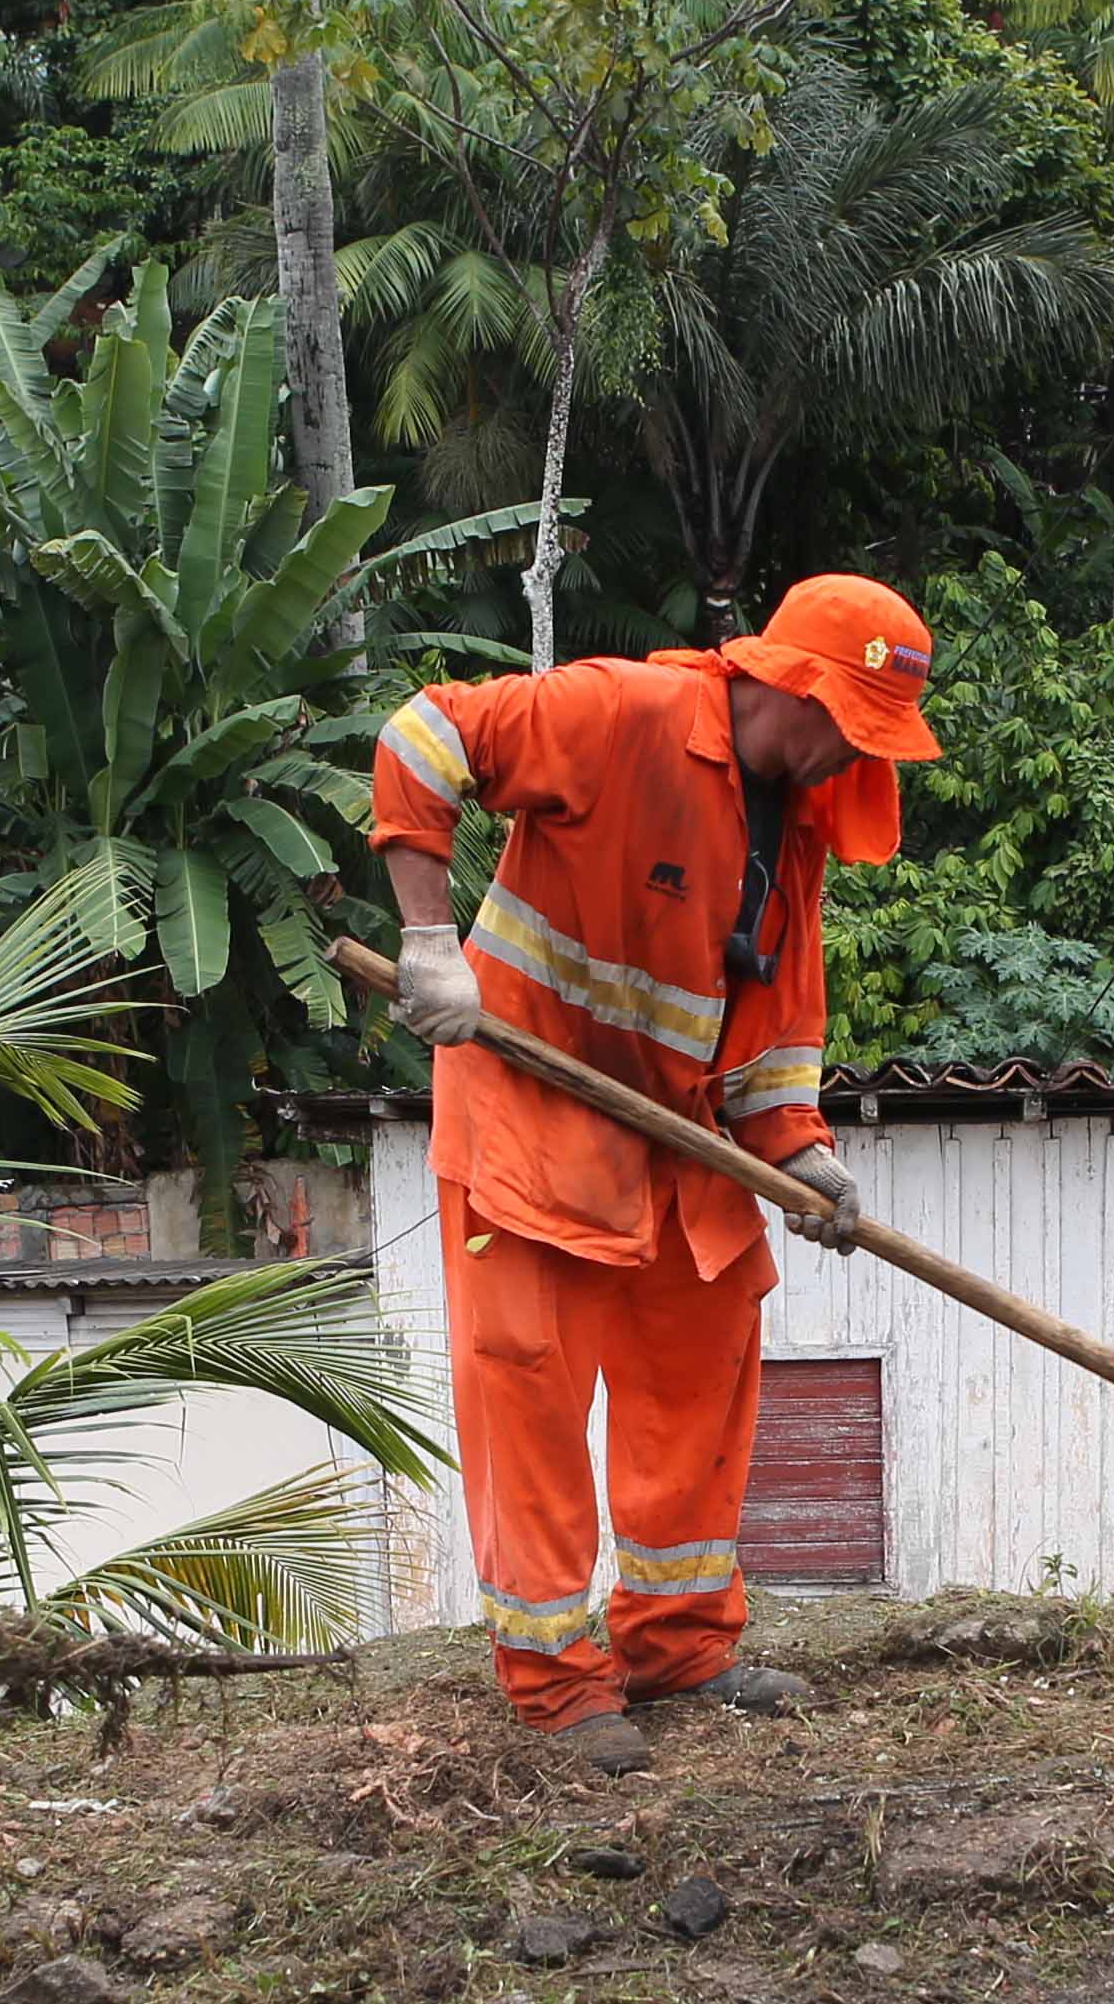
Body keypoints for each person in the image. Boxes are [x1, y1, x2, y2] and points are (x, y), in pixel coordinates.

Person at [370, 575, 937, 1776]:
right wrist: (429, 940)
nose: (853, 754)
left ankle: (680, 1644)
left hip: (678, 1140)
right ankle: (557, 1680)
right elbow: (423, 736)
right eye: (849, 724)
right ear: (788, 681)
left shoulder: (799, 817)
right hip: (531, 1110)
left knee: (703, 1367)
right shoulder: (618, 713)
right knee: (529, 1394)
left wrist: (803, 1153)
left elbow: (773, 1027)